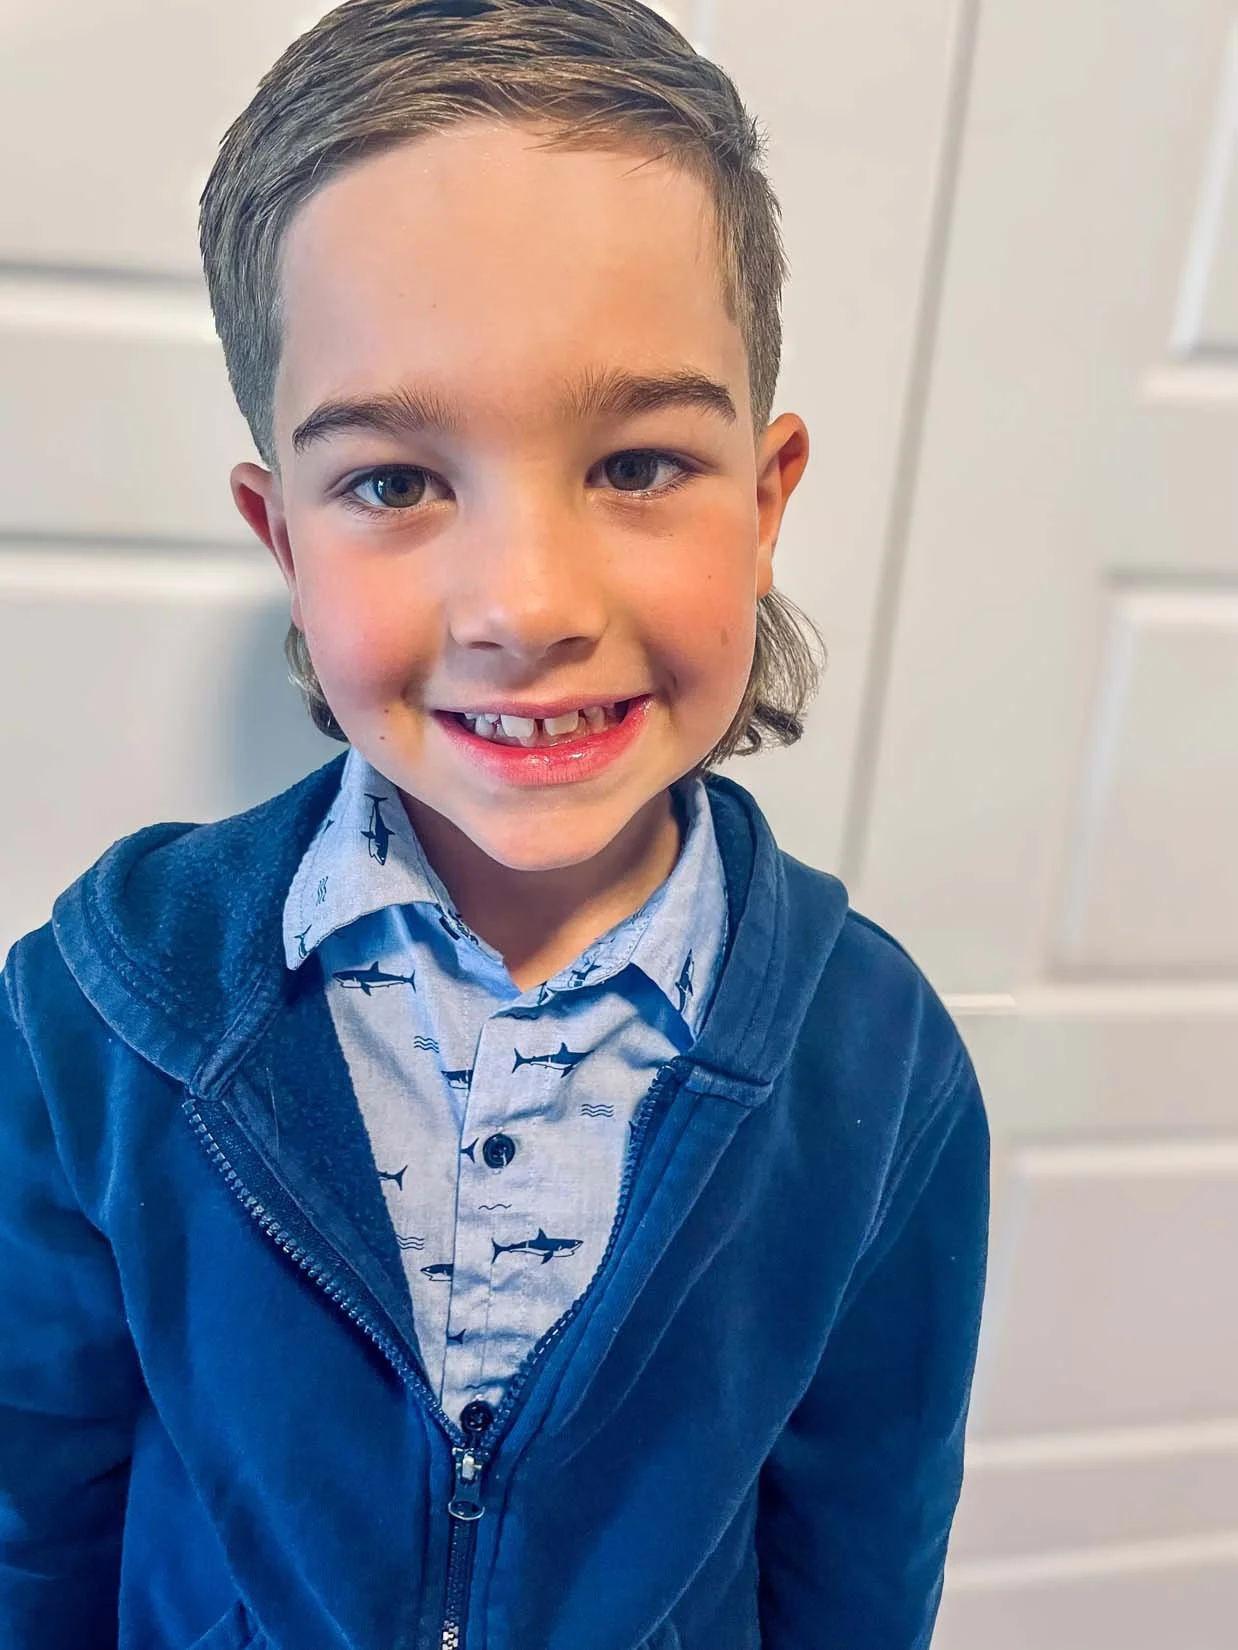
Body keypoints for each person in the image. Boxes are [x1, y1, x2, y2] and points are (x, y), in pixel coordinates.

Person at [0, 1, 990, 1646]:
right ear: (281, 534)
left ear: (765, 501)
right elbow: (33, 1507)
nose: (525, 605)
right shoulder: (94, 1016)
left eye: (639, 462)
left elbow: (861, 1555)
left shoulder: (876, 1066)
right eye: (393, 481)